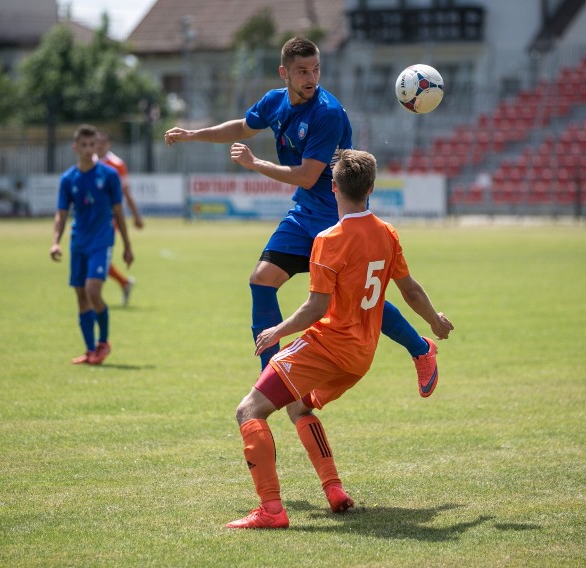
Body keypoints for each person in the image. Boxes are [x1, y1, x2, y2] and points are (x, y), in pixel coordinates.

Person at [165, 37, 440, 398]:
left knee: (356, 298)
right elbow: (243, 127)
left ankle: (421, 350)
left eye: (315, 70)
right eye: (302, 71)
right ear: (285, 73)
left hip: (338, 216)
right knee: (261, 280)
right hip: (304, 213)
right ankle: (271, 374)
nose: (311, 78)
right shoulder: (274, 101)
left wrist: (254, 164)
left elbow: (308, 176)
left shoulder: (326, 113)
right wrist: (192, 134)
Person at [225, 150, 454, 529]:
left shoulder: (329, 239)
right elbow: (409, 290)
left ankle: (271, 511)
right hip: (361, 356)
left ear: (333, 188)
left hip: (328, 347)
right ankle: (333, 490)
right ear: (372, 189)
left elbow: (316, 308)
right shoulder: (387, 233)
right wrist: (435, 322)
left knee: (248, 411)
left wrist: (276, 332)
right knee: (298, 407)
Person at [50, 124, 134, 365]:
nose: (89, 149)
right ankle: (89, 350)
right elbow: (61, 213)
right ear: (75, 147)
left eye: (92, 145)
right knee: (81, 296)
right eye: (84, 145)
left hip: (102, 241)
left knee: (93, 291)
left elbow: (119, 212)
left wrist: (127, 246)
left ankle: (103, 343)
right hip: (78, 242)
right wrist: (55, 242)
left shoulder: (108, 175)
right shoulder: (68, 179)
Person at [96, 130, 144, 306]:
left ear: (108, 144)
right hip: (89, 219)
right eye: (96, 141)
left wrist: (136, 216)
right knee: (93, 256)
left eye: (102, 141)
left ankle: (94, 298)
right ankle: (124, 283)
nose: (99, 145)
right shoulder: (88, 163)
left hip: (109, 219)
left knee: (98, 257)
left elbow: (126, 192)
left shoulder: (117, 164)